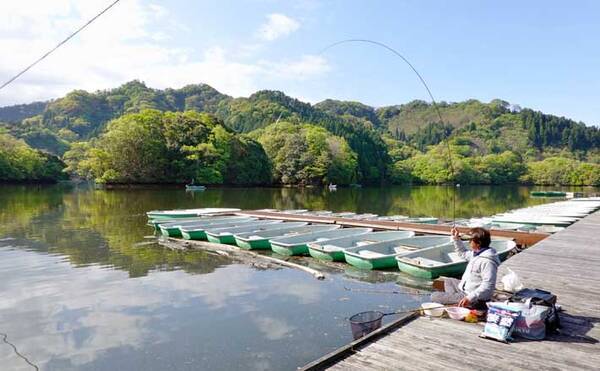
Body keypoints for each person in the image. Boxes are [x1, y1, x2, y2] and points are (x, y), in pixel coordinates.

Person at [431, 227, 500, 308]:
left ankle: (460, 301)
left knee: (434, 296)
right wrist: (456, 238)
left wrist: (469, 297)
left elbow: (488, 285)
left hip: (474, 298)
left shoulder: (488, 262)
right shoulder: (476, 253)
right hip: (465, 289)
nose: (469, 242)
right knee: (448, 281)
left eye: (471, 240)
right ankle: (456, 300)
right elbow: (462, 252)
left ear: (478, 243)